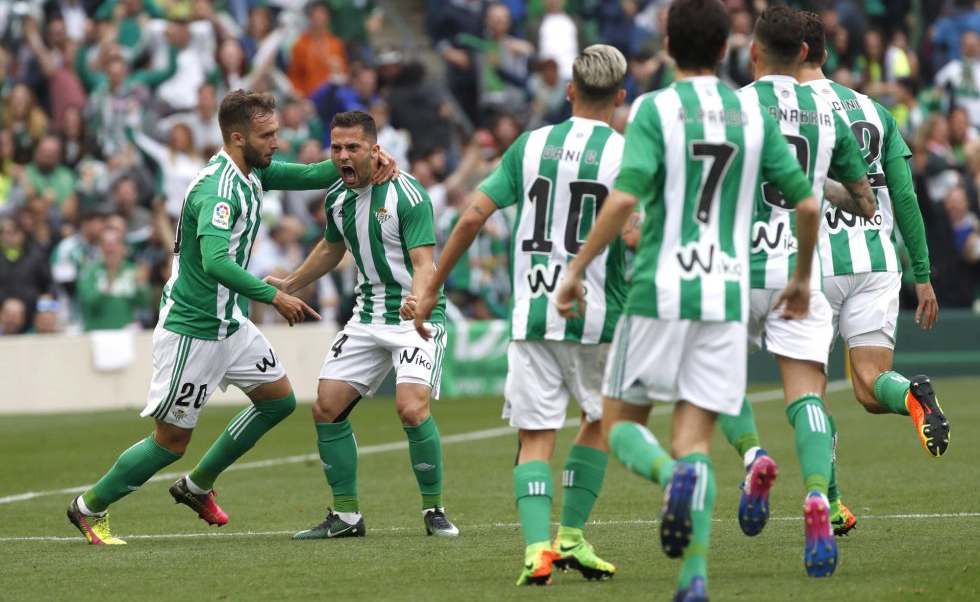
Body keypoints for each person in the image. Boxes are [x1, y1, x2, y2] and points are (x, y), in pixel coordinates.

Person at [554, 0, 819, 600]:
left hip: (658, 289)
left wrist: (577, 267)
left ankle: (671, 478)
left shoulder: (653, 109)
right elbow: (807, 202)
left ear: (668, 44)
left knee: (618, 422)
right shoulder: (750, 113)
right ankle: (694, 579)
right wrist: (802, 278)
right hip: (724, 294)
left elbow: (624, 200)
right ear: (728, 49)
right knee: (697, 439)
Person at [66, 90, 398, 545]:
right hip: (194, 330)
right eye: (268, 135)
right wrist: (275, 297)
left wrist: (373, 158)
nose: (277, 142)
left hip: (230, 323)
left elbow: (313, 173)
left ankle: (197, 486)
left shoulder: (253, 171)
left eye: (277, 132)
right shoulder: (218, 189)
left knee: (279, 401)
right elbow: (216, 261)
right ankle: (90, 507)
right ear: (238, 138)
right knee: (169, 443)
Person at [415, 44, 636, 586]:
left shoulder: (531, 145)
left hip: (531, 314)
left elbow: (470, 219)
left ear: (569, 92)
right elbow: (633, 231)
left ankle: (537, 550)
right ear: (621, 97)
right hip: (597, 311)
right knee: (600, 420)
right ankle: (573, 535)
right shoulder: (625, 152)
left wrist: (431, 288)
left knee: (536, 435)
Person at [714, 6, 874, 578]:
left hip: (732, 267)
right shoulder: (826, 110)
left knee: (717, 382)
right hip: (799, 271)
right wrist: (815, 185)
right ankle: (815, 498)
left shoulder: (732, 105)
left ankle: (754, 456)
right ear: (805, 53)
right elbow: (865, 201)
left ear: (752, 52)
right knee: (806, 396)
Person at [269, 110, 458, 541]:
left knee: (411, 409)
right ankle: (347, 517)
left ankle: (434, 509)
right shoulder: (337, 197)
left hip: (414, 318)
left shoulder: (408, 195)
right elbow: (331, 249)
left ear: (375, 149)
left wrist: (421, 300)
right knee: (326, 407)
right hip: (367, 316)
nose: (342, 156)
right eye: (336, 147)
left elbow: (424, 263)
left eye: (352, 147)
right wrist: (290, 284)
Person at [799, 10, 947, 528]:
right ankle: (910, 394)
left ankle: (832, 501)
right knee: (869, 385)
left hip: (814, 264)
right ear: (824, 51)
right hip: (878, 262)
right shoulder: (874, 110)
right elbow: (904, 197)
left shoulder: (783, 109)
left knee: (808, 391)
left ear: (791, 52)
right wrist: (922, 275)